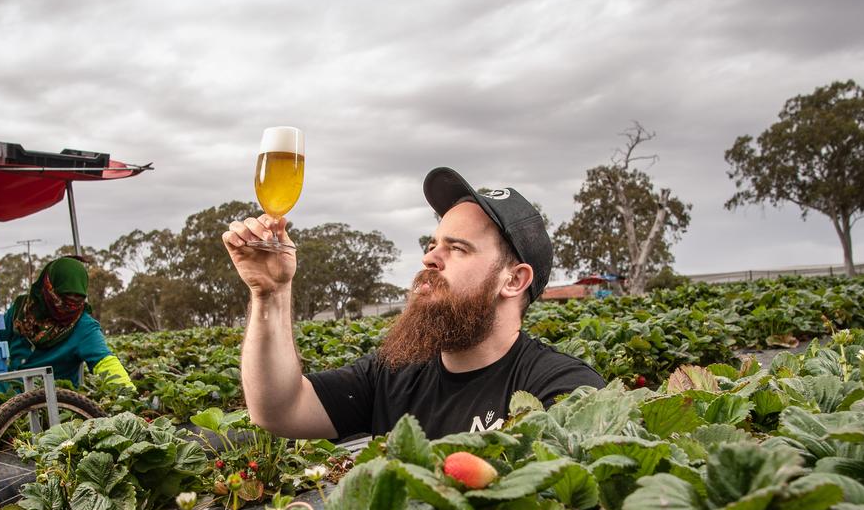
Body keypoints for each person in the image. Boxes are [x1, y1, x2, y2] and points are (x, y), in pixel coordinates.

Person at [222, 166, 604, 441]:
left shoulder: (561, 389)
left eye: (457, 248)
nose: (430, 258)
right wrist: (269, 293)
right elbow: (279, 410)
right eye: (433, 244)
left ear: (514, 280)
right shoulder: (394, 373)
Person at [1, 256, 135, 390]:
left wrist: (129, 395)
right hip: (5, 396)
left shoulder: (83, 326)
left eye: (76, 301)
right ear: (48, 287)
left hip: (51, 403)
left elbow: (106, 363)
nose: (68, 308)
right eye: (62, 298)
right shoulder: (21, 310)